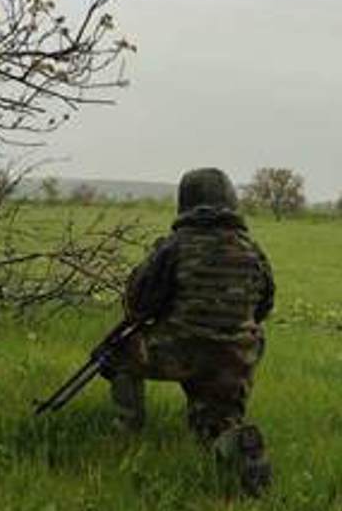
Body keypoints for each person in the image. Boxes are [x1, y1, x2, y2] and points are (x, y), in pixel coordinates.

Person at [100, 168, 275, 494]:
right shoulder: (253, 250)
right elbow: (264, 307)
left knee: (117, 351)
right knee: (212, 428)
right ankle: (241, 448)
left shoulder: (174, 247)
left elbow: (137, 305)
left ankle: (126, 431)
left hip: (180, 352)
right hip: (236, 358)